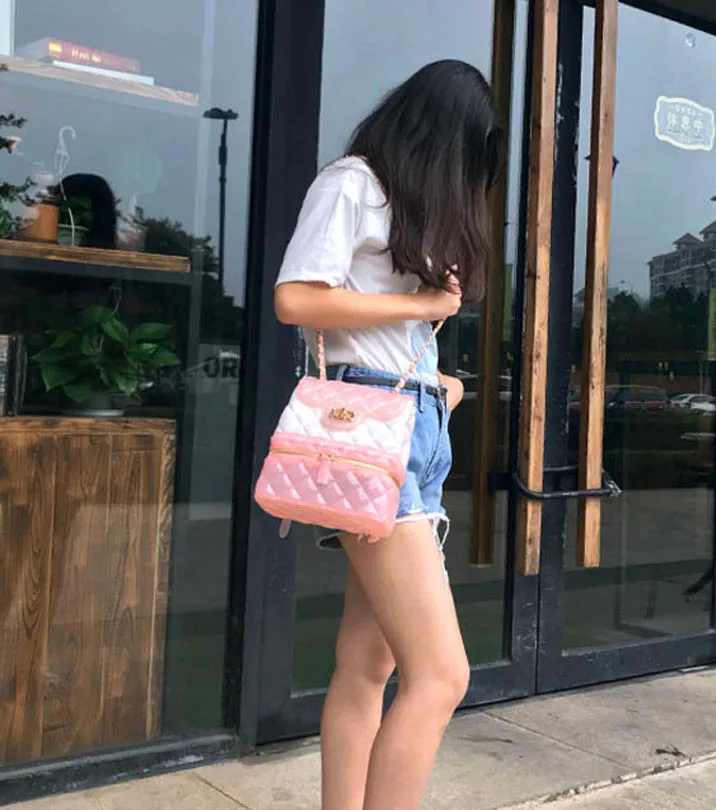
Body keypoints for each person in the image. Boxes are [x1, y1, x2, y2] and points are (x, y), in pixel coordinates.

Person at [274, 59, 504, 810]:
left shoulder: (407, 207)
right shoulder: (352, 183)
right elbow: (297, 299)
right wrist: (419, 308)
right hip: (371, 431)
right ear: (441, 138)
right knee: (441, 675)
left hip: (413, 424)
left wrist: (437, 382)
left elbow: (385, 328)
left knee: (369, 665)